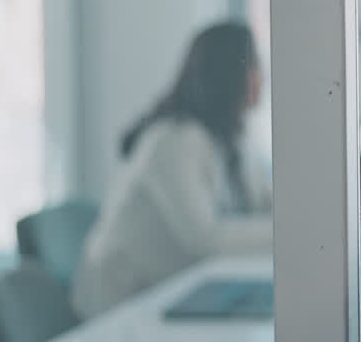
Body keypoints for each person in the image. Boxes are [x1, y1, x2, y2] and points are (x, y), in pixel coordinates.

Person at [71, 21, 273, 319]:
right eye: (254, 65)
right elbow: (207, 240)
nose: (262, 77)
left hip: (177, 292)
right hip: (121, 303)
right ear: (228, 75)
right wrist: (290, 233)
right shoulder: (173, 140)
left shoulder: (231, 138)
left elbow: (263, 206)